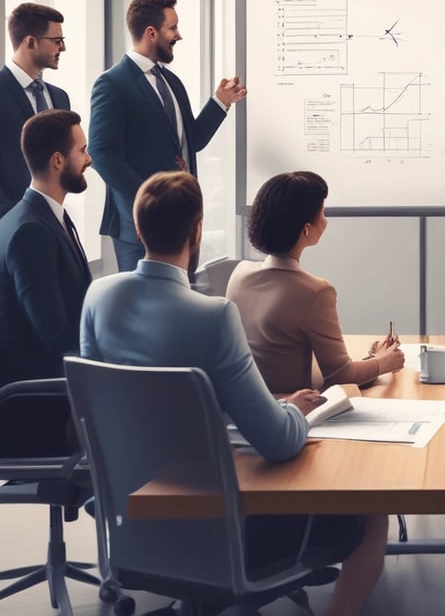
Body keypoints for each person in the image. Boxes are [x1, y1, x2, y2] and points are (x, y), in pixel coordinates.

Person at [80, 171, 386, 616]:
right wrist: (295, 412)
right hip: (219, 531)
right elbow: (278, 442)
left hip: (127, 521)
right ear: (197, 230)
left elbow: (96, 409)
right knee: (371, 510)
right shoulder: (212, 315)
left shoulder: (97, 296)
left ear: (139, 226)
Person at [88, 0, 246, 272]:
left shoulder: (172, 82)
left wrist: (220, 102)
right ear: (151, 33)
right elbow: (101, 154)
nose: (179, 35)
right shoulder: (111, 83)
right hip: (140, 226)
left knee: (182, 301)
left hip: (184, 220)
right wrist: (149, 200)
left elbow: (192, 140)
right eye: (172, 28)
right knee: (145, 310)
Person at [226, 170, 405, 393]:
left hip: (252, 408)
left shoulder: (239, 274)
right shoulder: (316, 291)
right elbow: (339, 376)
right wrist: (385, 362)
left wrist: (372, 359)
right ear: (306, 229)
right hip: (297, 414)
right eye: (322, 213)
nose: (326, 220)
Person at [0, 110, 91, 385]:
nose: (89, 160)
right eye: (83, 151)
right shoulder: (30, 233)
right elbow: (54, 336)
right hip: (41, 394)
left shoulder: (44, 215)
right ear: (58, 160)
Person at [0, 2, 70, 218]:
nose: (63, 48)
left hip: (53, 219)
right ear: (31, 42)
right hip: (8, 222)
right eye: (57, 41)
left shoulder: (60, 97)